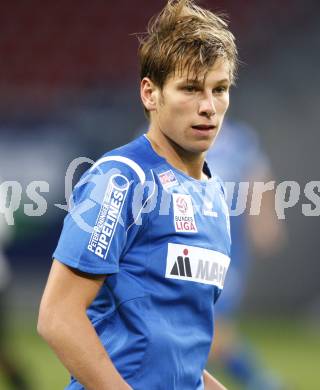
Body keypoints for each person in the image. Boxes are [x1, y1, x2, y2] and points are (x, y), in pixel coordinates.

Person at [37, 1, 238, 389]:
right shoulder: (121, 182)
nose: (208, 107)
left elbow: (177, 354)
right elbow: (57, 316)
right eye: (191, 89)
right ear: (150, 93)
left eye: (220, 89)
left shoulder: (213, 197)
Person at [206, 120, 286, 389]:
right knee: (202, 330)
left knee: (209, 327)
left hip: (226, 249)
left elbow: (258, 180)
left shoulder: (238, 140)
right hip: (179, 246)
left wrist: (266, 221)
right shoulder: (161, 135)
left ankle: (259, 382)